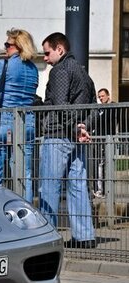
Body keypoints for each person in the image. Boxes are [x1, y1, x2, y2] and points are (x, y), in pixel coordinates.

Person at [39, 32, 97, 249]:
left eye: (47, 53)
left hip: (58, 135)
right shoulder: (83, 72)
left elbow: (60, 105)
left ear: (59, 50)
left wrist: (74, 128)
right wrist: (84, 127)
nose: (45, 58)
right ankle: (85, 237)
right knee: (78, 186)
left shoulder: (60, 70)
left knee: (49, 187)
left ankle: (46, 239)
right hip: (75, 137)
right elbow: (93, 105)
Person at [0, 28, 38, 202]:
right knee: (24, 175)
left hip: (2, 120)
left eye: (8, 45)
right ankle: (26, 215)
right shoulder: (33, 69)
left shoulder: (4, 64)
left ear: (18, 46)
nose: (5, 48)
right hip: (27, 121)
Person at [92, 88, 118, 198]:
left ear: (108, 95)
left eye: (102, 96)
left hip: (107, 140)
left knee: (106, 165)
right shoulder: (99, 109)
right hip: (99, 140)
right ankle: (100, 190)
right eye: (99, 96)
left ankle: (105, 191)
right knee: (98, 165)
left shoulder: (112, 107)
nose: (101, 98)